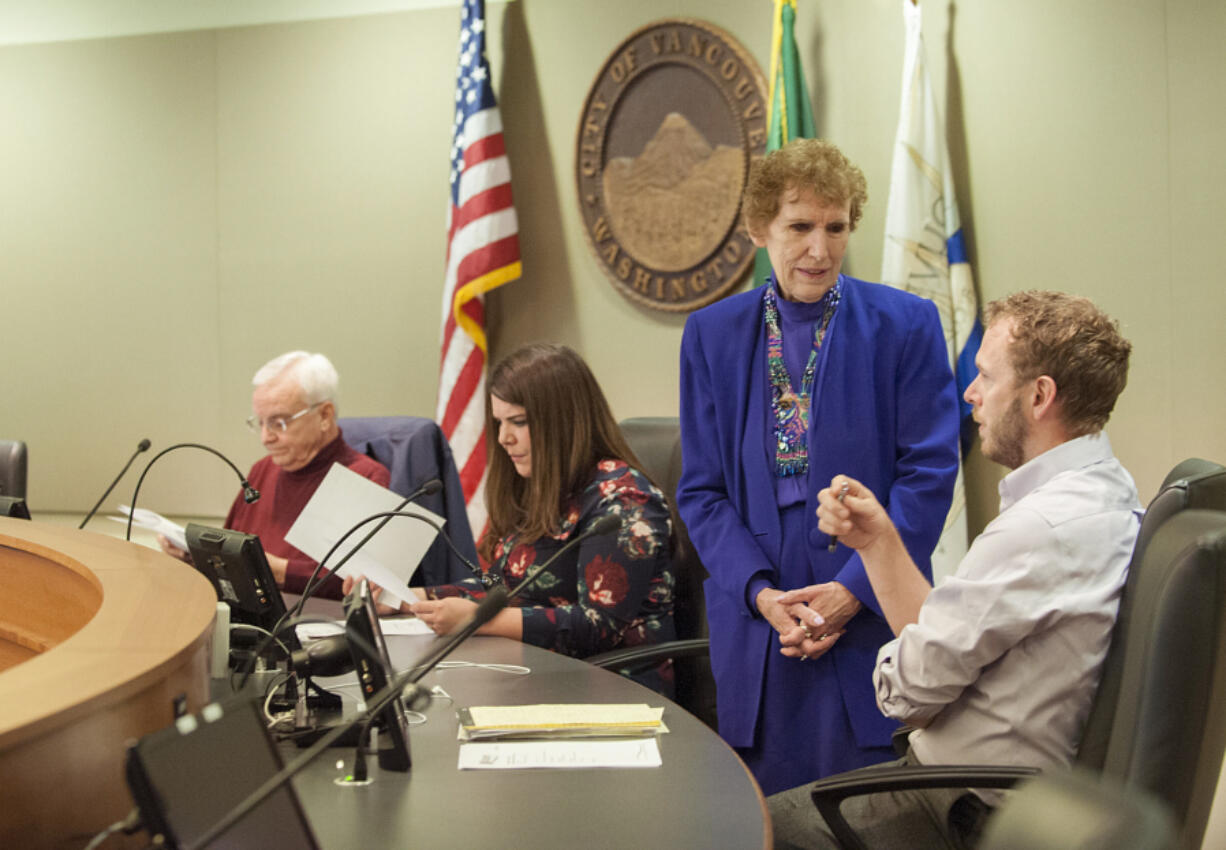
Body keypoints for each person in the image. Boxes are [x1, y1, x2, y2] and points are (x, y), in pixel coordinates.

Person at [769, 290, 1141, 849]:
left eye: (986, 377)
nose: (970, 393)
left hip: (964, 808)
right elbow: (942, 642)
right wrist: (878, 542)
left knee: (748, 827)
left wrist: (899, 656)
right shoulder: (1108, 492)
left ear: (1040, 396)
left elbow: (906, 694)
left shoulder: (1039, 528)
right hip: (1002, 789)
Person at [677, 137, 960, 793]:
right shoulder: (711, 334)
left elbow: (928, 478)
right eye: (799, 227)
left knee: (864, 810)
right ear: (759, 229)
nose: (820, 249)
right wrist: (761, 594)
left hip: (863, 608)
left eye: (835, 228)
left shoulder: (907, 325)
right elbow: (703, 492)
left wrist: (851, 591)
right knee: (763, 813)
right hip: (759, 616)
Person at [368, 343, 676, 668]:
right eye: (499, 422)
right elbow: (507, 587)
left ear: (564, 421)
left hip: (615, 688)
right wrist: (409, 599)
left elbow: (599, 625)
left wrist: (479, 620)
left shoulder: (623, 500)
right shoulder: (543, 485)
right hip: (541, 670)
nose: (503, 438)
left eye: (518, 421)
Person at [160, 351, 390, 598]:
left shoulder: (365, 477)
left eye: (279, 423)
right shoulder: (263, 469)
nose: (266, 438)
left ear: (324, 415)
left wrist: (278, 571)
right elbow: (231, 551)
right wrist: (195, 558)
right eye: (260, 423)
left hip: (317, 625)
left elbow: (363, 584)